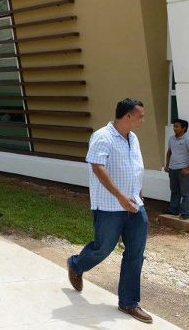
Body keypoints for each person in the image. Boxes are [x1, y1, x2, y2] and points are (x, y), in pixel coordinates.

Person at [67, 98, 152, 324]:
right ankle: (76, 264)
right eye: (140, 116)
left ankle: (129, 302)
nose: (143, 120)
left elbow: (135, 168)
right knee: (103, 248)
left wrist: (137, 191)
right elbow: (97, 167)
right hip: (109, 206)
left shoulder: (132, 138)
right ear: (127, 116)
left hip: (135, 205)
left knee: (135, 253)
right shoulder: (102, 136)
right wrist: (119, 196)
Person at [164, 118, 189, 219]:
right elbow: (169, 152)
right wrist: (167, 165)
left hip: (183, 170)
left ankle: (185, 213)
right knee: (174, 191)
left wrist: (188, 169)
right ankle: (173, 210)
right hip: (172, 169)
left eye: (177, 126)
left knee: (185, 193)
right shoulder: (171, 139)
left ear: (184, 128)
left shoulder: (188, 139)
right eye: (174, 126)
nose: (174, 128)